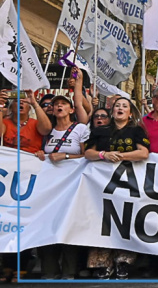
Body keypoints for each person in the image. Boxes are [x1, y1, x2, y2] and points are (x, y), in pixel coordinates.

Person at [84, 97, 149, 279]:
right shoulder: (101, 130)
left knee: (125, 220)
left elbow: (143, 152)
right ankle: (102, 264)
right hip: (102, 184)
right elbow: (88, 153)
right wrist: (103, 154)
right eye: (117, 106)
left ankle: (123, 262)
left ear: (130, 112)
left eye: (125, 106)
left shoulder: (136, 130)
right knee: (102, 220)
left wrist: (120, 156)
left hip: (128, 183)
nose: (120, 108)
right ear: (112, 111)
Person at [38, 94, 90, 280]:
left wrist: (66, 157)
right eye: (56, 104)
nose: (59, 106)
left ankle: (69, 270)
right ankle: (49, 269)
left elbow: (87, 155)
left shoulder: (80, 129)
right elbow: (41, 152)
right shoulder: (47, 131)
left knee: (68, 225)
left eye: (63, 104)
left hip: (72, 185)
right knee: (47, 224)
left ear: (71, 110)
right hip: (49, 187)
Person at [0, 90, 52, 159]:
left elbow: (46, 130)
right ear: (11, 107)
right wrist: (0, 105)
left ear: (29, 108)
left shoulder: (36, 124)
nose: (21, 102)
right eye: (17, 101)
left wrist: (34, 103)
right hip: (9, 163)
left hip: (30, 162)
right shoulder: (5, 123)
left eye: (25, 101)